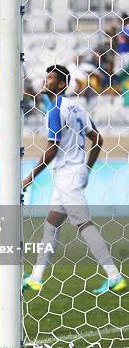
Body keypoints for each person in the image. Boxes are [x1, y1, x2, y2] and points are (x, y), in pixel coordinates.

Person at [22, 65, 126, 294]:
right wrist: (86, 169)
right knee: (51, 225)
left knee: (84, 224)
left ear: (61, 85)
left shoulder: (56, 110)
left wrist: (29, 178)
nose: (45, 81)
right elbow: (97, 139)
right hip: (71, 174)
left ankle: (115, 276)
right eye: (46, 76)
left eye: (50, 78)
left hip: (67, 175)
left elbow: (52, 149)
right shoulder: (75, 108)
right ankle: (36, 277)